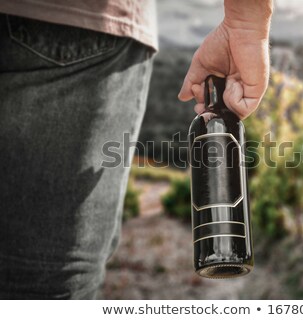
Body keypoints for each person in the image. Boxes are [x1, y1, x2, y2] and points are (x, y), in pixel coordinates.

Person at [0, 0, 272, 299]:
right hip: (81, 23)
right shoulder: (207, 124)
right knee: (45, 274)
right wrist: (246, 22)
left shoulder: (213, 123)